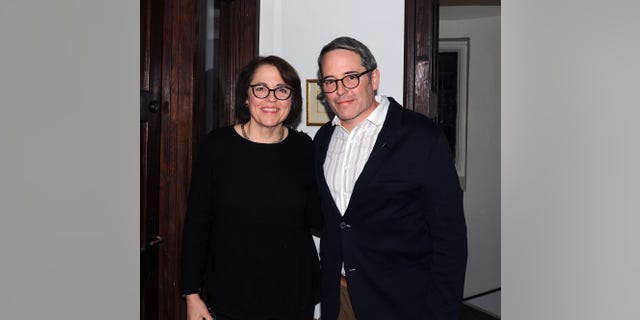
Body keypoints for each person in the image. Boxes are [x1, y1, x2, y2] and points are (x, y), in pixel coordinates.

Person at [313, 36, 468, 319]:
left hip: (403, 304)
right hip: (340, 297)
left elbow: (451, 240)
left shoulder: (421, 136)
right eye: (330, 81)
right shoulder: (323, 139)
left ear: (373, 78)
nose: (340, 90)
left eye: (350, 77)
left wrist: (443, 312)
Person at [180, 55, 321, 320]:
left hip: (294, 295)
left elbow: (318, 215)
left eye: (281, 90)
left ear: (292, 100)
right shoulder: (217, 146)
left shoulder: (304, 148)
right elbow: (197, 223)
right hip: (230, 295)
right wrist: (191, 294)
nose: (271, 99)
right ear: (246, 97)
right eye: (260, 89)